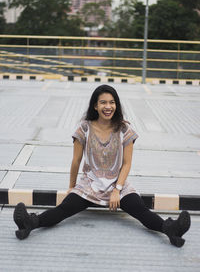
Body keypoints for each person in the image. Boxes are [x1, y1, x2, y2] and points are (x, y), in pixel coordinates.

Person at [13, 84, 190, 247]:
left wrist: (117, 189)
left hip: (117, 184)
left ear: (117, 105)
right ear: (95, 106)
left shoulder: (124, 130)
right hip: (90, 185)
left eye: (112, 102)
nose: (108, 106)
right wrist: (71, 187)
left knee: (140, 210)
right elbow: (76, 161)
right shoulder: (84, 129)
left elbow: (127, 164)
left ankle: (171, 230)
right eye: (103, 102)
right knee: (64, 209)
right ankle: (29, 223)